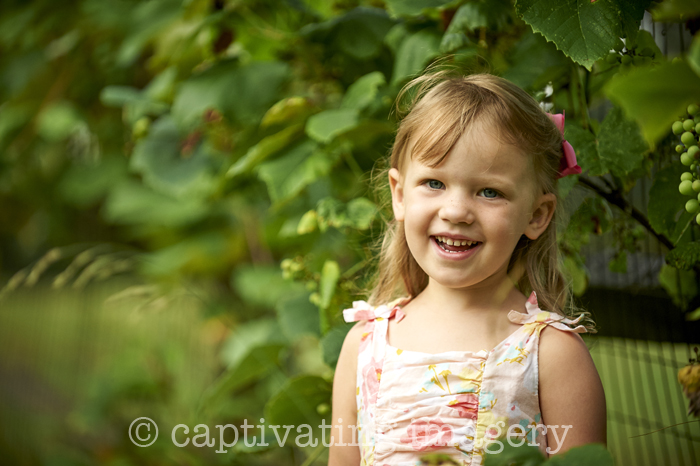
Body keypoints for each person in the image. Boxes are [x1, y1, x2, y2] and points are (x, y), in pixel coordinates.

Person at [328, 69, 607, 466]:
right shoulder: (363, 346)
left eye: (489, 191)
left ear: (537, 214)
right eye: (434, 183)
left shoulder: (552, 354)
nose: (456, 212)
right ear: (399, 194)